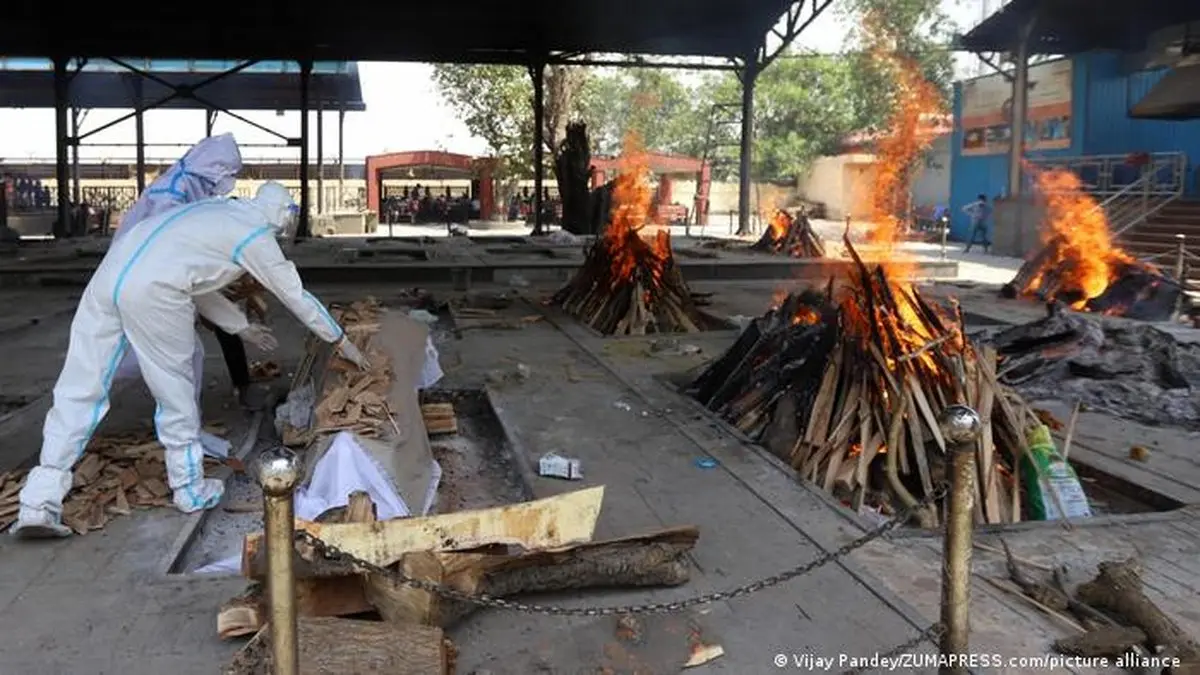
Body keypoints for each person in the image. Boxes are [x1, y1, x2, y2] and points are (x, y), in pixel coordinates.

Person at [13, 181, 368, 538]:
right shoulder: (255, 235)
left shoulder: (216, 211)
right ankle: (189, 487)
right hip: (155, 290)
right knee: (175, 388)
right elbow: (297, 297)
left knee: (80, 387)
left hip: (110, 275)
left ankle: (38, 502)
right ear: (282, 215)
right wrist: (340, 339)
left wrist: (241, 326)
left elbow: (192, 278)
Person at [111, 133, 265, 413]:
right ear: (213, 169)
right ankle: (180, 425)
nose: (229, 181)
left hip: (151, 277)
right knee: (176, 351)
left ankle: (183, 422)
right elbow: (175, 255)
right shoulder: (170, 197)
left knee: (175, 351)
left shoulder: (190, 190)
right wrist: (236, 321)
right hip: (143, 280)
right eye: (229, 173)